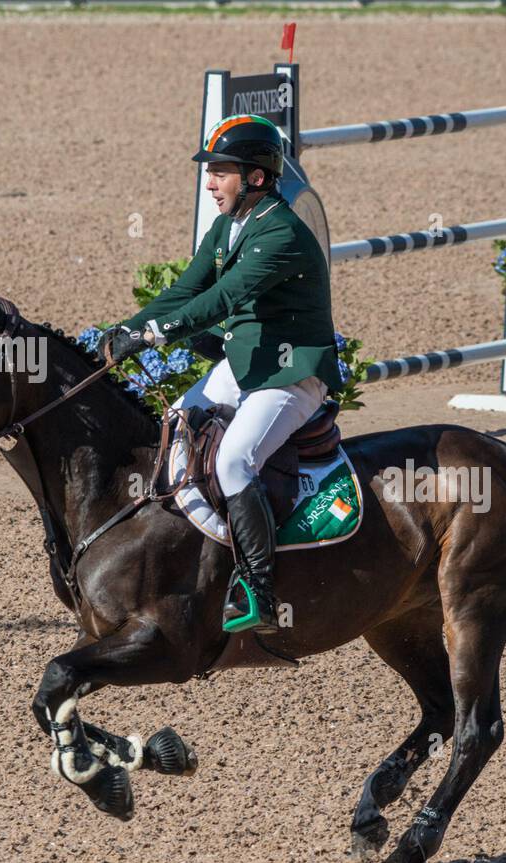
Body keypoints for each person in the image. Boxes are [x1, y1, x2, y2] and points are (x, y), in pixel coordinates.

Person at [97, 114, 344, 635]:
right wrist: (123, 328)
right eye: (209, 172)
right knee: (174, 426)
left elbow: (221, 300)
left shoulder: (280, 232)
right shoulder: (228, 225)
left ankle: (259, 590)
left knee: (234, 462)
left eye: (221, 172)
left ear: (255, 178)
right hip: (246, 362)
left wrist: (152, 336)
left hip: (291, 372)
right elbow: (185, 290)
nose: (209, 183)